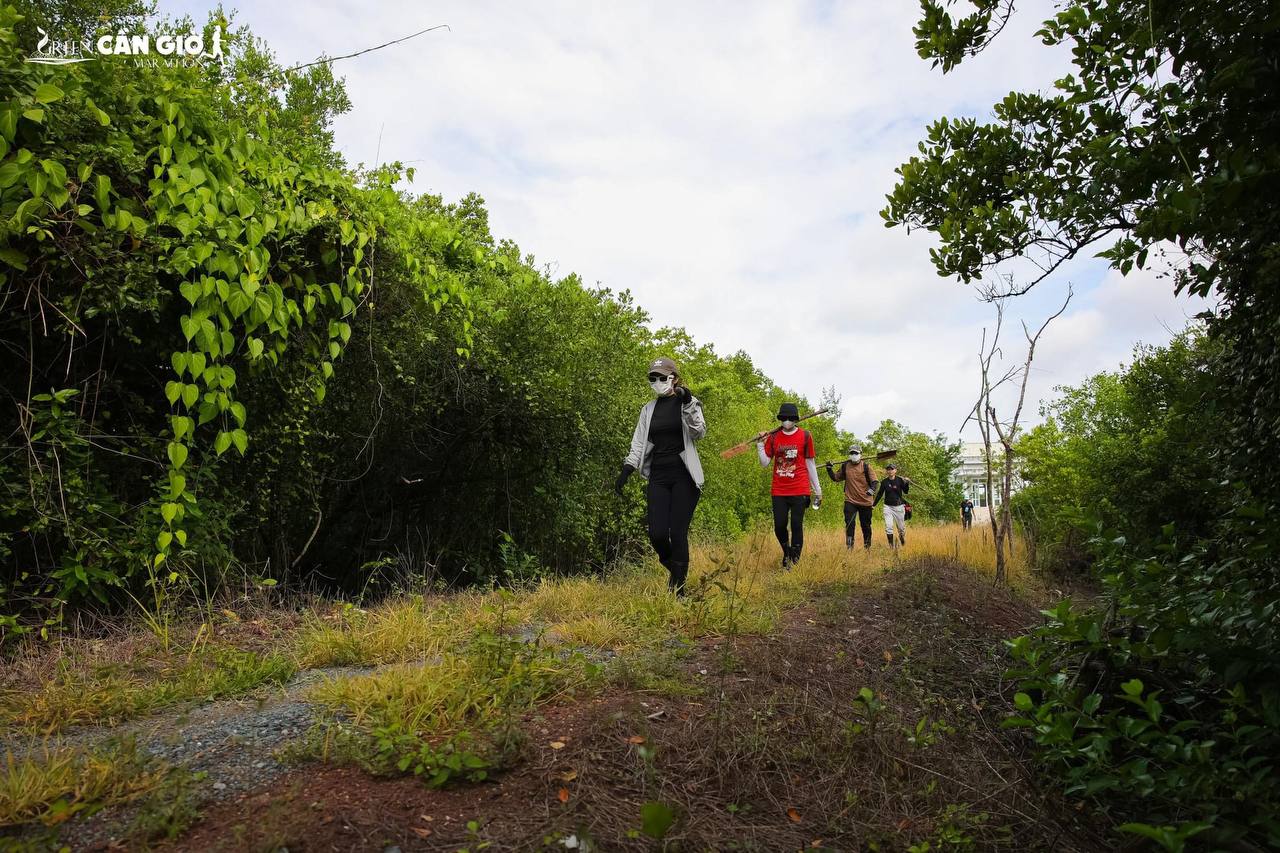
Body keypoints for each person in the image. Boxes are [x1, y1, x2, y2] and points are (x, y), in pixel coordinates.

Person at [615, 357, 706, 595]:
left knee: (677, 533)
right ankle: (675, 571)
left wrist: (687, 402)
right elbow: (638, 442)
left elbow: (699, 432)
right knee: (656, 534)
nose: (657, 382)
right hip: (658, 475)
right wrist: (628, 468)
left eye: (662, 378)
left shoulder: (688, 402)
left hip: (684, 476)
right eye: (653, 379)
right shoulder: (648, 410)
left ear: (674, 379)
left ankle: (679, 589)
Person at [757, 402, 821, 569]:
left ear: (795, 419)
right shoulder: (774, 437)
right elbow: (764, 463)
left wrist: (817, 489)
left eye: (790, 418)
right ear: (780, 419)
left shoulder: (805, 436)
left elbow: (810, 464)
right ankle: (787, 552)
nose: (787, 421)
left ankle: (794, 561)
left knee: (796, 525)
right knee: (779, 526)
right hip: (779, 489)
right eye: (784, 418)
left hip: (799, 488)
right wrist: (759, 444)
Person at [826, 445, 878, 550]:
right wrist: (829, 469)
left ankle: (867, 547)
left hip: (865, 502)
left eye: (856, 453)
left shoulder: (866, 466)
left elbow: (875, 481)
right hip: (850, 500)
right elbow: (836, 478)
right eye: (852, 453)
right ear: (849, 455)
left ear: (860, 454)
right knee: (849, 524)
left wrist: (871, 490)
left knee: (866, 526)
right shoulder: (845, 466)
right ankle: (849, 547)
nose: (854, 455)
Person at [873, 462, 911, 548]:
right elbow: (879, 494)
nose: (890, 471)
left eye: (892, 469)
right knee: (888, 527)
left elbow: (906, 491)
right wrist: (874, 505)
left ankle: (902, 538)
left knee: (901, 529)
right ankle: (891, 546)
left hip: (899, 507)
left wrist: (907, 483)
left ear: (895, 471)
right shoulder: (884, 482)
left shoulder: (900, 480)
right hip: (888, 507)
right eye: (888, 469)